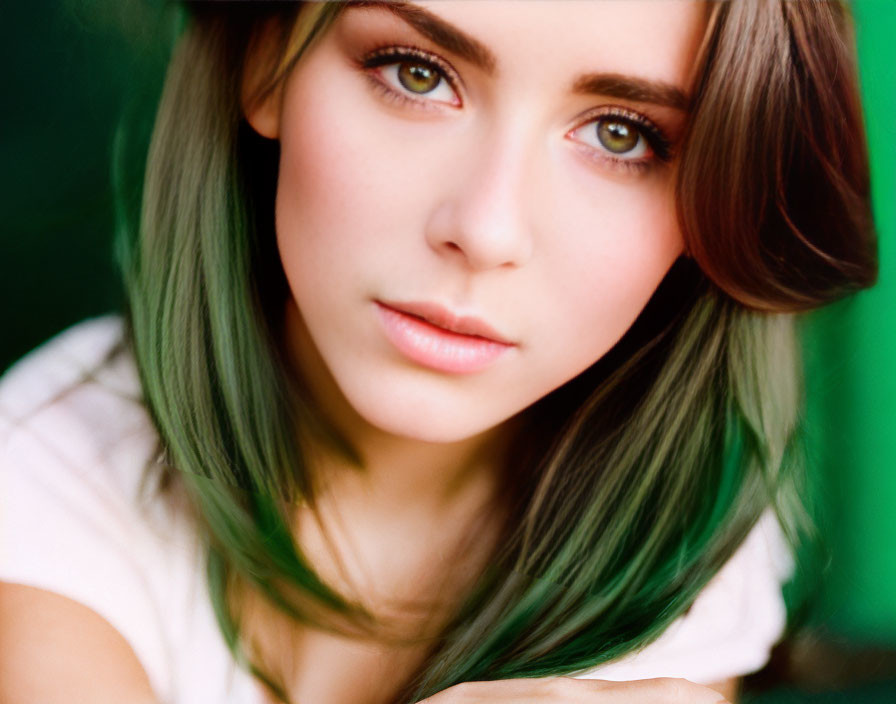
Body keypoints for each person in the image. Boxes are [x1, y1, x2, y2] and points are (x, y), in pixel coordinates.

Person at [0, 1, 877, 703]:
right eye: (417, 74)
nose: (486, 229)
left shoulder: (679, 522)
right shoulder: (41, 488)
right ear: (265, 58)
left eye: (621, 134)